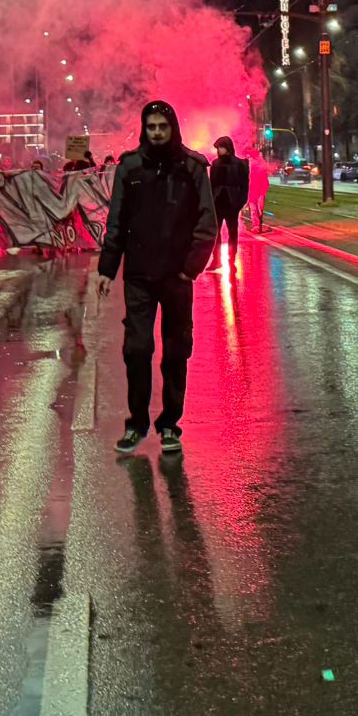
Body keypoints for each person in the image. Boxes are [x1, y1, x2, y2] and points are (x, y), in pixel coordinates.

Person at [97, 100, 218, 458]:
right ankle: (136, 424)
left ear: (172, 127)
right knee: (137, 349)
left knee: (176, 350)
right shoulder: (130, 167)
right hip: (139, 275)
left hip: (177, 277)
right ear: (144, 129)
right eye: (151, 127)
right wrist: (107, 269)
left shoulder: (193, 167)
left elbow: (206, 223)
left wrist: (189, 269)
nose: (157, 133)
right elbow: (116, 220)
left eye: (162, 127)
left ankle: (169, 424)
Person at [208, 135, 251, 259]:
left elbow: (244, 184)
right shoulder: (215, 164)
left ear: (227, 148)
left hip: (232, 204)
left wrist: (241, 201)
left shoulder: (239, 164)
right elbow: (212, 184)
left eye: (220, 147)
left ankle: (231, 257)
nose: (218, 150)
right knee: (216, 233)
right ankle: (216, 258)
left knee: (232, 233)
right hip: (218, 203)